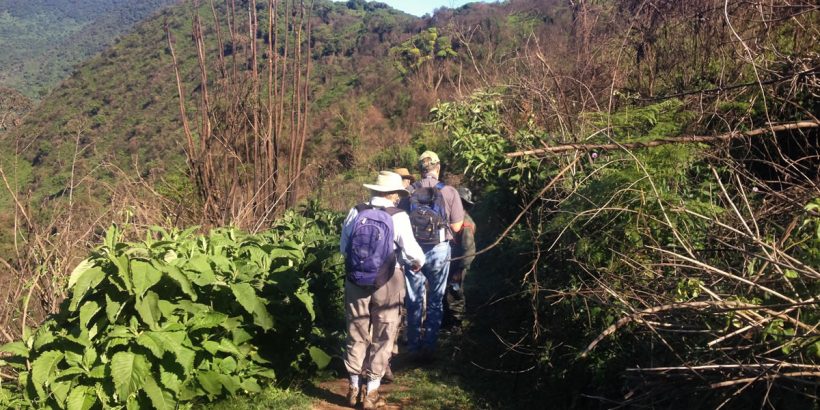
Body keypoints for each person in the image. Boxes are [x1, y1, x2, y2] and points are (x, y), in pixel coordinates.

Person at [340, 171, 426, 409]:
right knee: (384, 332)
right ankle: (372, 393)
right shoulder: (398, 216)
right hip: (389, 280)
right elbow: (412, 253)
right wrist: (419, 263)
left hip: (356, 279)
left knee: (356, 330)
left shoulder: (356, 211)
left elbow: (343, 247)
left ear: (373, 190)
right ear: (395, 194)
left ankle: (354, 387)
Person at [403, 151, 464, 360]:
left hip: (413, 250)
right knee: (436, 298)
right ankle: (430, 346)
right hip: (439, 249)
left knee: (413, 299)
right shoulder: (449, 191)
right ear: (438, 167)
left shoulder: (408, 191)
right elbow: (456, 226)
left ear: (420, 169)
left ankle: (412, 346)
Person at [443, 187, 476, 330]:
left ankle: (456, 325)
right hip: (450, 262)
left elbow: (469, 249)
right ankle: (446, 324)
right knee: (446, 293)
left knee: (455, 292)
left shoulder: (466, 223)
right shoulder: (454, 219)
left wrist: (460, 270)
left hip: (458, 264)